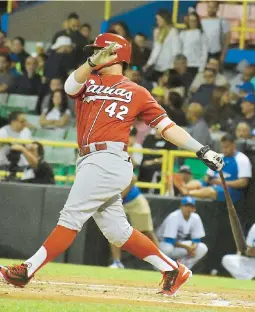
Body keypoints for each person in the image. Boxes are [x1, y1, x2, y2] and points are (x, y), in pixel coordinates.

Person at [0, 33, 224, 297]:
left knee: (70, 218)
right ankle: (172, 269)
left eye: (100, 50)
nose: (96, 54)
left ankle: (27, 270)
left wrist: (202, 149)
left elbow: (166, 127)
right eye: (94, 51)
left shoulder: (137, 91)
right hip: (89, 160)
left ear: (116, 54)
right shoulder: (89, 80)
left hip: (109, 159)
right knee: (118, 232)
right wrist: (91, 62)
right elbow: (70, 87)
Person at [109, 175, 159, 269]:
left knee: (147, 232)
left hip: (135, 201)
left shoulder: (115, 163)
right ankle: (117, 262)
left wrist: (121, 196)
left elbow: (133, 178)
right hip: (118, 203)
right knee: (113, 230)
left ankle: (161, 263)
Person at [186, 134, 251, 204]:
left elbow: (243, 183)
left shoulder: (242, 159)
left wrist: (222, 182)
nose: (224, 150)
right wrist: (207, 179)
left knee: (209, 191)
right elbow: (207, 176)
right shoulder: (218, 157)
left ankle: (186, 193)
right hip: (214, 184)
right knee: (194, 184)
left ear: (233, 145)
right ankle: (185, 189)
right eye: (222, 147)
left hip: (230, 190)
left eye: (227, 147)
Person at [157, 196, 208, 270]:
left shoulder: (195, 218)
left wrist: (193, 248)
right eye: (186, 206)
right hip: (162, 244)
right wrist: (187, 248)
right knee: (168, 248)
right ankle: (159, 267)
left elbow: (196, 239)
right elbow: (169, 240)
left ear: (194, 209)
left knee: (202, 248)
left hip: (178, 245)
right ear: (181, 207)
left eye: (191, 206)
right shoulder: (174, 216)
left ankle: (182, 268)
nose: (188, 209)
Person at [145, 9, 181, 81]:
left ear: (165, 19)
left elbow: (176, 50)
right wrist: (149, 63)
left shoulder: (173, 31)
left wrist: (172, 66)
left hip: (168, 66)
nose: (157, 21)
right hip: (157, 65)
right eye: (156, 19)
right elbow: (156, 49)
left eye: (159, 19)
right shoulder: (157, 31)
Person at [138, 129, 176, 194]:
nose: (158, 128)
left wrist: (153, 161)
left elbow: (169, 157)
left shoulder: (170, 140)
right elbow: (144, 155)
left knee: (155, 172)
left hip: (160, 169)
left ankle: (151, 193)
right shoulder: (148, 138)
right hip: (145, 167)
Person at [180, 12, 208, 77]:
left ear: (198, 21)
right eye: (191, 21)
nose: (193, 23)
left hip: (195, 66)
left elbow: (204, 52)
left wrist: (201, 68)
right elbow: (179, 50)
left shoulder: (201, 34)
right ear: (188, 21)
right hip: (184, 65)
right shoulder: (182, 34)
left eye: (194, 21)